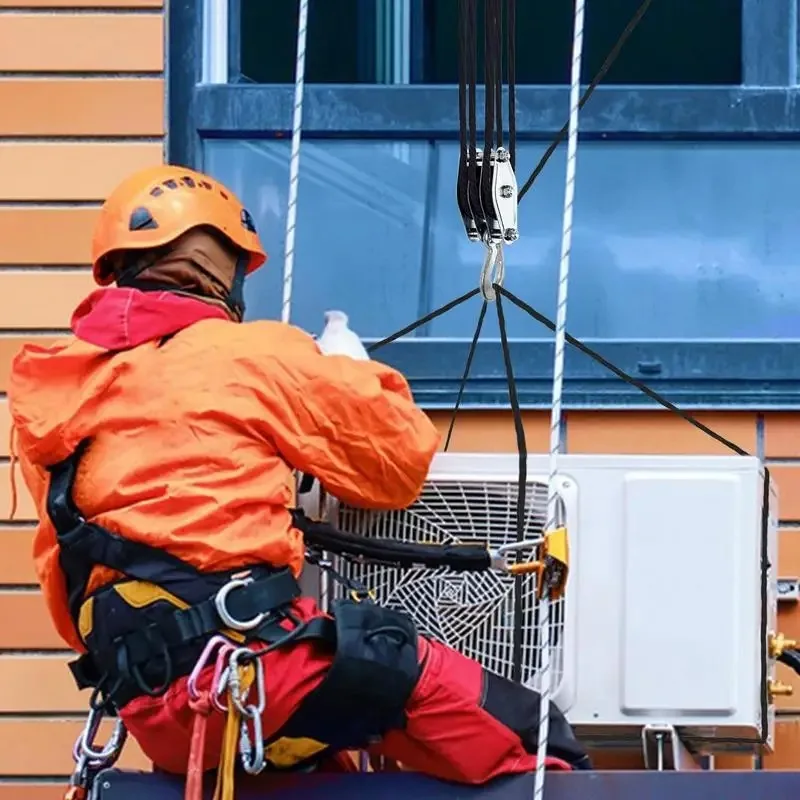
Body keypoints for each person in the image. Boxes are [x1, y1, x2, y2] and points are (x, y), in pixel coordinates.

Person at [8, 164, 591, 785]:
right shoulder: (249, 354)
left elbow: (64, 585)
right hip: (258, 671)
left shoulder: (54, 400)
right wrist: (346, 369)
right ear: (221, 269)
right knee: (531, 740)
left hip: (158, 711)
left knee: (331, 774)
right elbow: (397, 463)